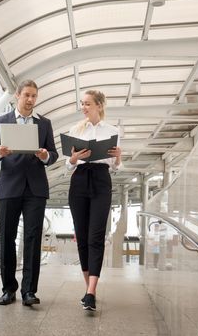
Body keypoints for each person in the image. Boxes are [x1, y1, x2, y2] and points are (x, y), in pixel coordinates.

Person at [0, 79, 58, 306]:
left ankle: (29, 291)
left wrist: (45, 155)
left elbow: (53, 154)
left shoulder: (44, 124)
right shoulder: (1, 121)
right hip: (9, 187)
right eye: (26, 95)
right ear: (17, 96)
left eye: (34, 96)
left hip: (35, 189)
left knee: (33, 239)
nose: (30, 100)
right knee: (7, 237)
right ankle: (8, 289)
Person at [66, 90, 122, 311]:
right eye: (82, 104)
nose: (84, 107)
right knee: (82, 237)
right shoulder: (75, 130)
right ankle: (90, 290)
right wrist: (73, 158)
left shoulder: (113, 131)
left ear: (99, 105)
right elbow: (68, 165)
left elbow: (116, 166)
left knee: (95, 235)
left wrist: (118, 157)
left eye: (87, 104)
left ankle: (90, 292)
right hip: (79, 180)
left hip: (101, 180)